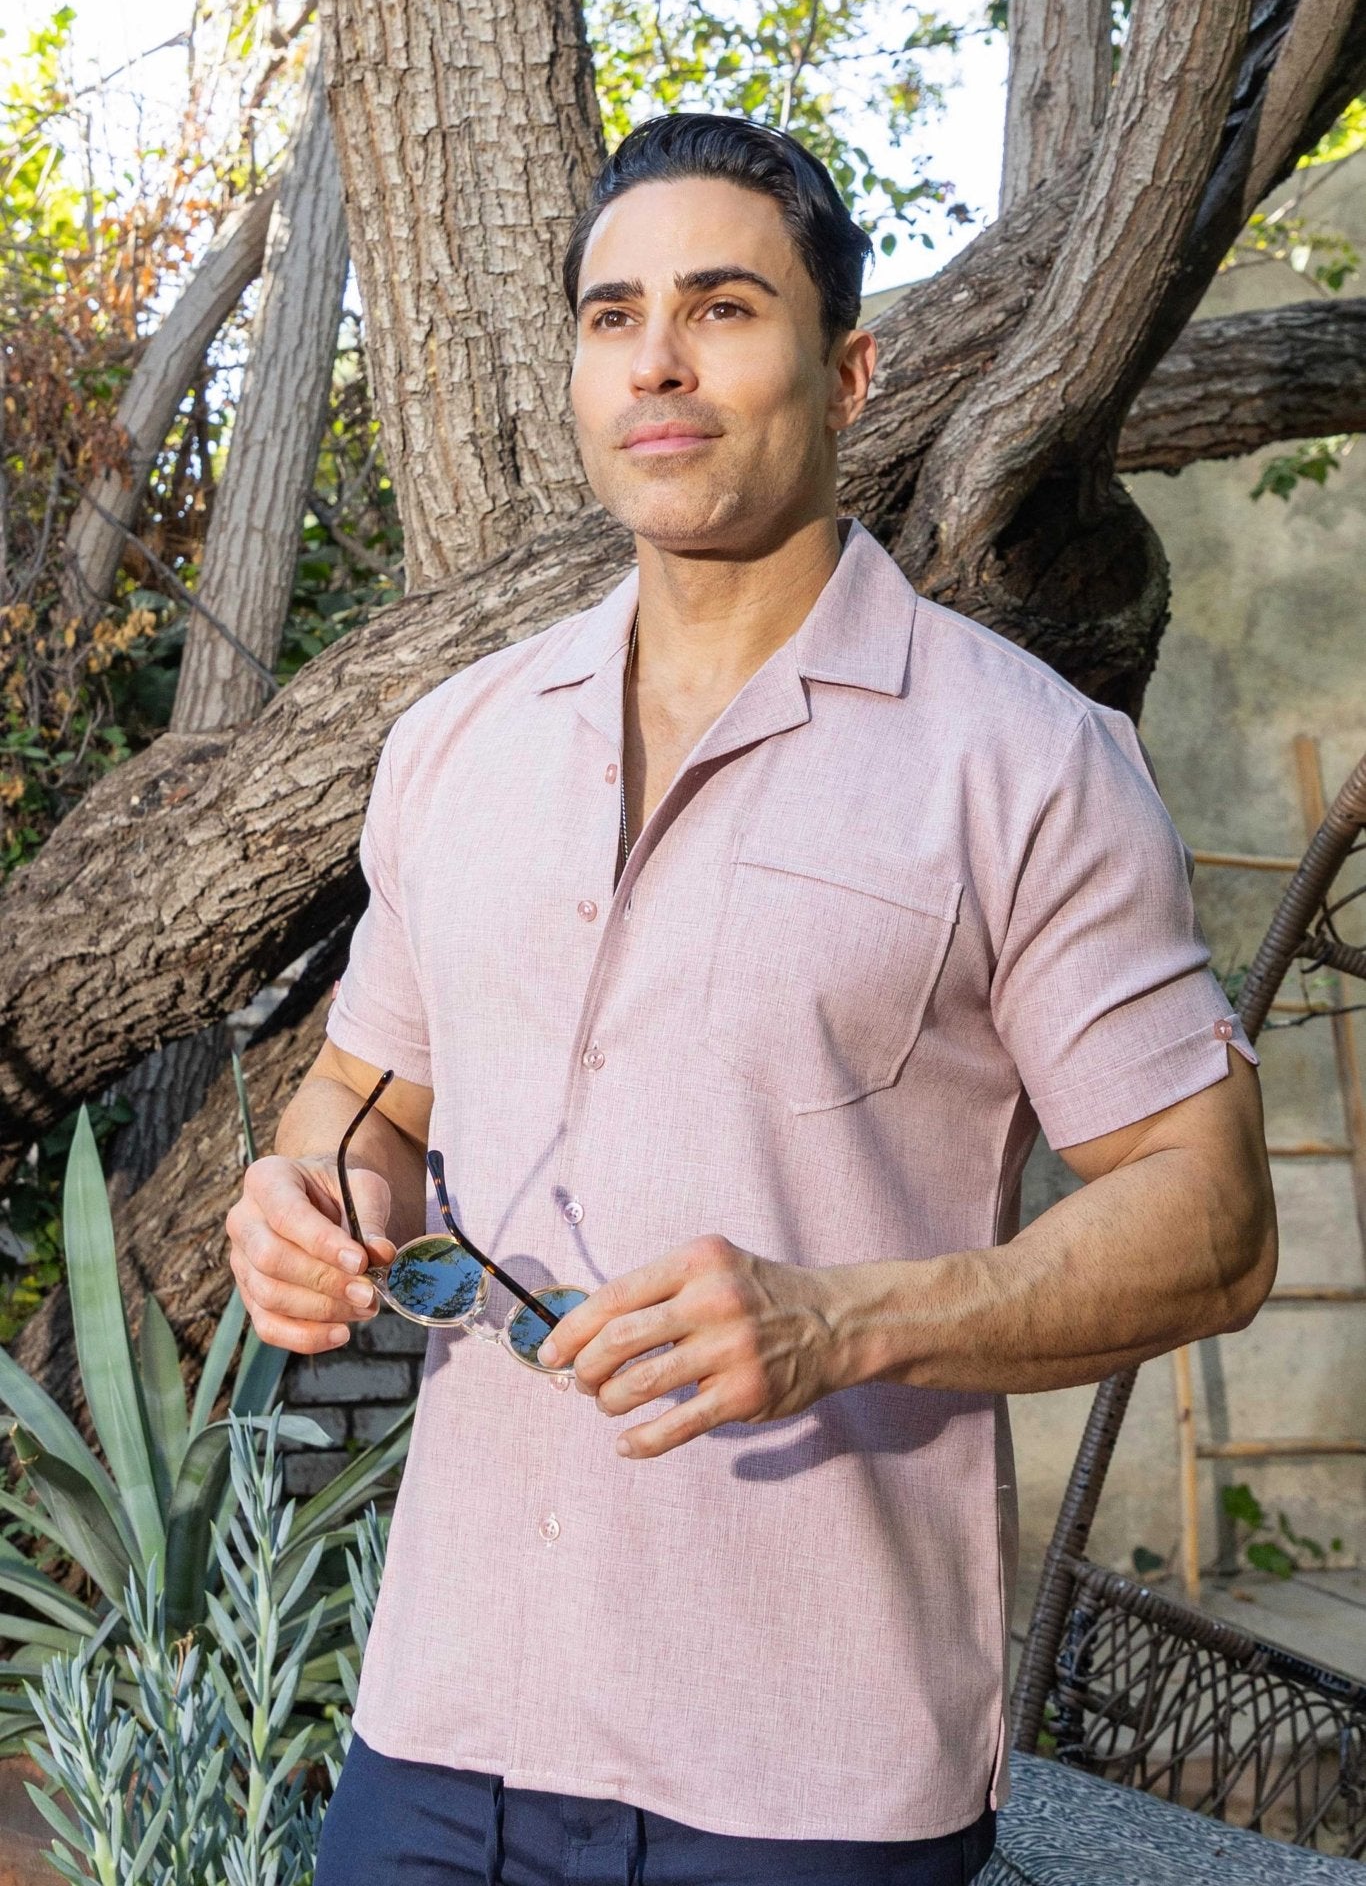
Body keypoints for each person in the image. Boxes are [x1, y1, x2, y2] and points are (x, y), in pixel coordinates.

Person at [226, 113, 1276, 1886]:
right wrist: (304, 1204)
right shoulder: (453, 744)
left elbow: (1214, 1221)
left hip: (803, 1780)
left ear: (846, 368)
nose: (657, 358)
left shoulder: (1021, 761)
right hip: (437, 1733)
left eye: (722, 306)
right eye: (612, 312)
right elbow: (363, 1100)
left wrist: (839, 1322)